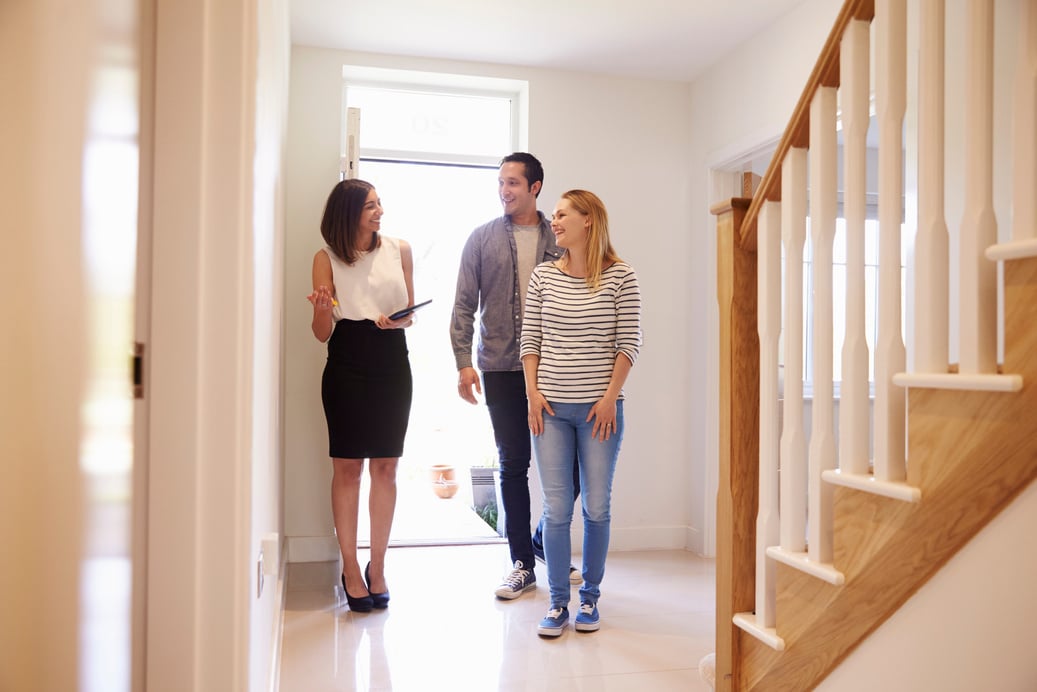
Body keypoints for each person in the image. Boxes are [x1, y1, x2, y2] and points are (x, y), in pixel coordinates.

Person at [450, 152, 582, 600]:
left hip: (558, 367)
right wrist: (463, 362)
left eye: (513, 184)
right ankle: (522, 563)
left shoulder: (562, 238)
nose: (505, 191)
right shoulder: (482, 239)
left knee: (570, 467)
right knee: (513, 464)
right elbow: (464, 305)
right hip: (502, 368)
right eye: (501, 183)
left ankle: (544, 537)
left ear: (535, 187)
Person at [521, 189, 642, 637]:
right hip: (549, 410)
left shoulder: (620, 276)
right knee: (555, 509)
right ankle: (557, 604)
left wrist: (610, 398)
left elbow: (628, 342)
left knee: (596, 506)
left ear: (588, 220)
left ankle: (589, 599)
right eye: (553, 215)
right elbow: (529, 340)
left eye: (562, 214)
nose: (554, 222)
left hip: (599, 414)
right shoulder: (543, 278)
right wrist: (532, 393)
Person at [307, 178, 416, 612]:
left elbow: (408, 317)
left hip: (392, 357)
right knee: (348, 467)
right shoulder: (326, 257)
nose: (380, 212)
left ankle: (378, 566)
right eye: (370, 206)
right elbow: (321, 334)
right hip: (347, 359)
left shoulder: (399, 249)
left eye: (379, 203)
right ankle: (350, 567)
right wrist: (319, 309)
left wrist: (398, 321)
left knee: (386, 467)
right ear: (348, 213)